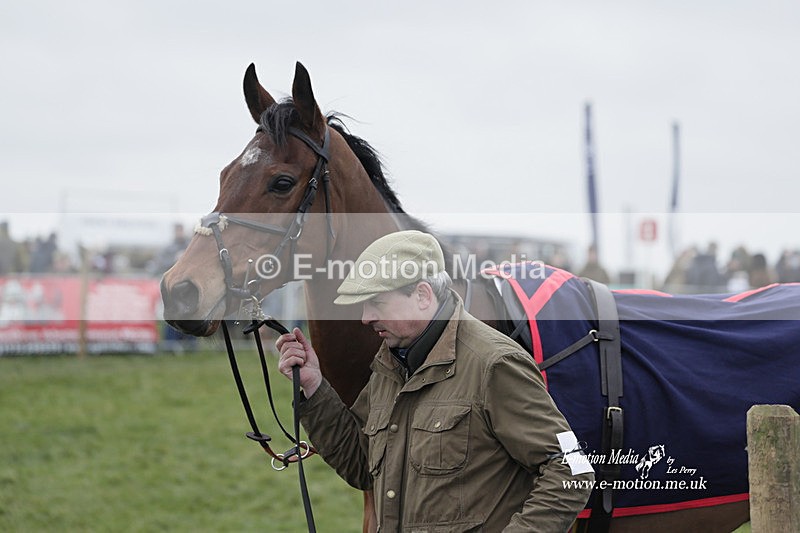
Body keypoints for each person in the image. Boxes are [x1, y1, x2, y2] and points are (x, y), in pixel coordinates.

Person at [276, 230, 594, 532]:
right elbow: (361, 465)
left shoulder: (494, 363)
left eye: (376, 302)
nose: (365, 317)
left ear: (423, 295)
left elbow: (572, 469)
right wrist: (314, 386)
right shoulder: (389, 365)